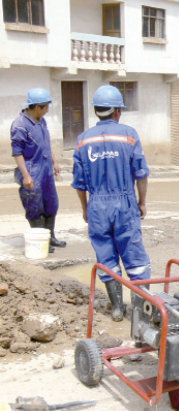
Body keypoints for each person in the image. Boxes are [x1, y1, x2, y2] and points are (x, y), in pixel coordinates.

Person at [72, 85, 151, 321]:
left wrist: (86, 209)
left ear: (96, 110)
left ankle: (117, 308)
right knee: (135, 259)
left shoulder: (82, 140)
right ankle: (141, 311)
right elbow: (141, 173)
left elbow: (79, 183)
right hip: (125, 203)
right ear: (117, 111)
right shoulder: (129, 135)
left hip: (97, 205)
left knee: (106, 258)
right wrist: (142, 202)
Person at [10, 88, 66, 254]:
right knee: (34, 205)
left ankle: (50, 236)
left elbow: (46, 143)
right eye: (46, 106)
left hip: (46, 169)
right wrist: (26, 175)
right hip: (31, 169)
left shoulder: (42, 121)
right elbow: (17, 152)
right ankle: (40, 239)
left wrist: (54, 162)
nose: (48, 109)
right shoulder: (20, 125)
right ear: (36, 107)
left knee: (51, 204)